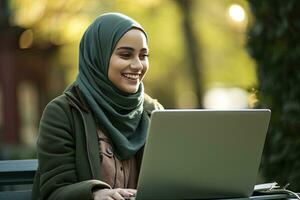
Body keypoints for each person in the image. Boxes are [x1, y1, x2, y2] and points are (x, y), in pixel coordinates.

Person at [32, 12, 163, 200]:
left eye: (143, 55)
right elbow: (53, 191)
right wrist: (94, 193)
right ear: (98, 56)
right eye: (126, 55)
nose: (138, 65)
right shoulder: (63, 112)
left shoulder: (153, 112)